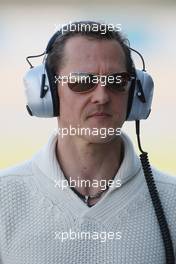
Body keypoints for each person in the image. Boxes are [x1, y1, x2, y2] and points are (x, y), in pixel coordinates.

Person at [0, 21, 176, 264]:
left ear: (136, 93)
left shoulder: (171, 200)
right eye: (82, 81)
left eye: (117, 81)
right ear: (46, 91)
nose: (102, 96)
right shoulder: (4, 196)